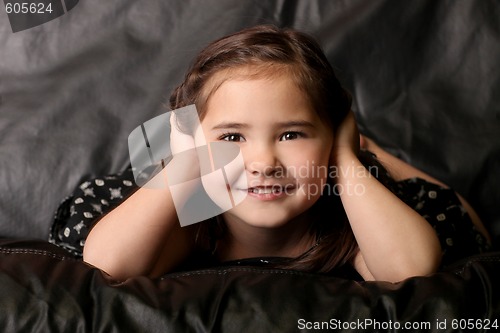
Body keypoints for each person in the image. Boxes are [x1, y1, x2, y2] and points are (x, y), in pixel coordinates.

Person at [82, 25, 490, 282]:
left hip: (355, 179)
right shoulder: (191, 214)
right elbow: (106, 266)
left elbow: (412, 271)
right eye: (232, 137)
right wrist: (187, 161)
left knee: (458, 217)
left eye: (291, 134)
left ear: (332, 138)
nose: (263, 164)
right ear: (189, 139)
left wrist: (346, 161)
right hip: (196, 178)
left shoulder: (352, 215)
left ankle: (367, 146)